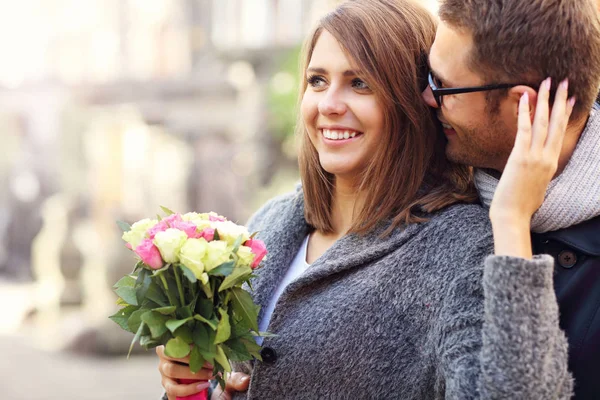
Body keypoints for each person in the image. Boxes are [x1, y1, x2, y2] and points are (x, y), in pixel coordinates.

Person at [156, 0, 574, 399]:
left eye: (360, 84)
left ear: (411, 102)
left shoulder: (462, 246)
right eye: (317, 80)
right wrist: (194, 386)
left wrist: (513, 217)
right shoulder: (269, 222)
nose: (329, 104)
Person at [421, 0, 600, 397]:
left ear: (524, 105)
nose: (426, 97)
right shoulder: (437, 182)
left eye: (443, 85)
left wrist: (511, 217)